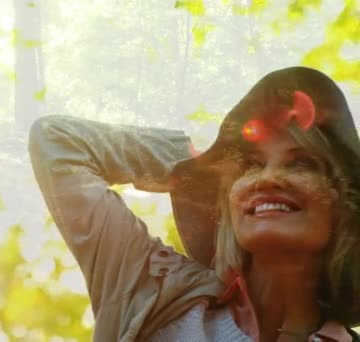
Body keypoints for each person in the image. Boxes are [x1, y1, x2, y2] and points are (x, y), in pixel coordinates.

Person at [28, 67, 360, 341]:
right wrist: (193, 166)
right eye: (250, 166)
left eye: (301, 164)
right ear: (228, 198)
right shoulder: (153, 291)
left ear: (344, 205)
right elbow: (57, 139)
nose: (268, 178)